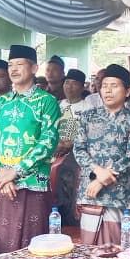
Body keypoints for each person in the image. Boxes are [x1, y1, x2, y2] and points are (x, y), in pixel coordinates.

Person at [0, 45, 60, 256]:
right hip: (2, 184)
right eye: (11, 65)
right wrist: (1, 175)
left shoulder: (47, 101)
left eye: (20, 64)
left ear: (34, 68)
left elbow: (48, 141)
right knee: (0, 245)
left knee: (32, 247)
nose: (14, 69)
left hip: (32, 184)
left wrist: (15, 171)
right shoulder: (0, 103)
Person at [74, 64, 130, 245]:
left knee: (118, 252)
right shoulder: (87, 117)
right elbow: (79, 149)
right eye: (104, 86)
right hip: (91, 193)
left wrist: (102, 180)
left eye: (114, 86)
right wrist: (97, 171)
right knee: (89, 252)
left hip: (120, 196)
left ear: (127, 91)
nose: (107, 90)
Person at [52, 68, 88, 226]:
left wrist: (72, 143)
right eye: (67, 83)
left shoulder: (87, 107)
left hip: (76, 151)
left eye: (74, 84)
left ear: (82, 87)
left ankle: (67, 215)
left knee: (66, 171)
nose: (69, 87)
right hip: (55, 148)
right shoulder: (57, 105)